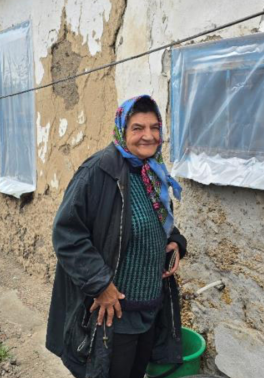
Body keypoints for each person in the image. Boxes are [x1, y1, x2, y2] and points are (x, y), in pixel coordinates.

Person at [46, 95, 187, 378]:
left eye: (154, 127)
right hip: (114, 312)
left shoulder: (152, 172)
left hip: (149, 306)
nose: (148, 136)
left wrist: (175, 243)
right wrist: (100, 284)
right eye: (137, 128)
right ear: (122, 131)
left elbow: (158, 220)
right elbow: (67, 234)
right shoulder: (98, 171)